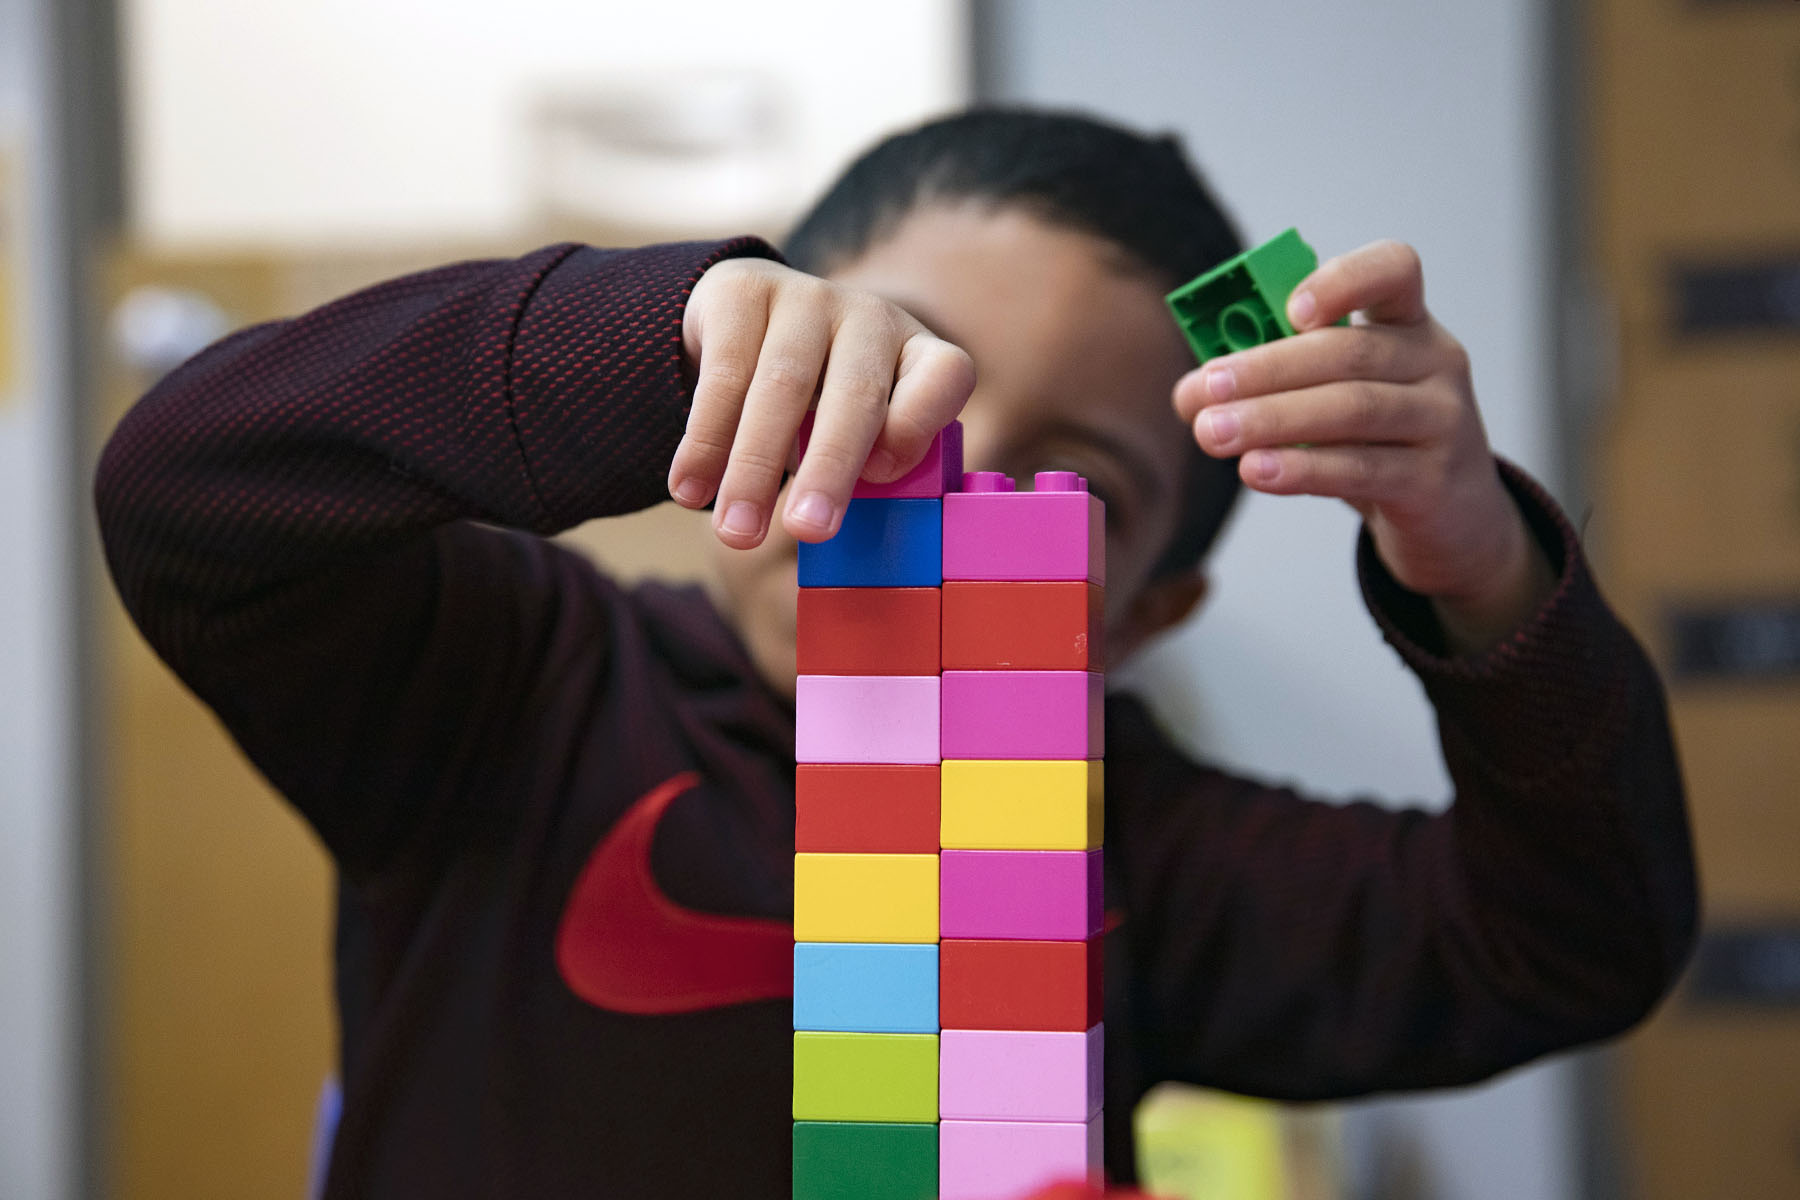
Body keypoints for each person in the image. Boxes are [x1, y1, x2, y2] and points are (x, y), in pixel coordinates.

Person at [95, 109, 1697, 1198]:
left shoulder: (1146, 851)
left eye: (1075, 487)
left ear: (1141, 616)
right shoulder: (520, 690)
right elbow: (194, 490)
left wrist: (1478, 560)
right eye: (880, 379)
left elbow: (1577, 944)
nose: (950, 480)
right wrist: (646, 342)